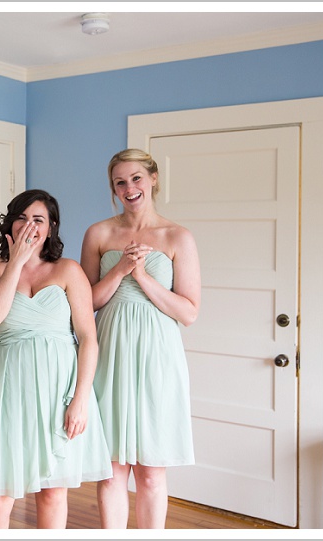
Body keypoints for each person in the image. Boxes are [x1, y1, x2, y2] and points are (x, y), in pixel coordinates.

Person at [0, 189, 112, 529]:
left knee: (52, 492)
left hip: (58, 391)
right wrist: (16, 262)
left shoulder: (68, 270)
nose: (29, 225)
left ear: (51, 227)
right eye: (22, 217)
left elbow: (89, 339)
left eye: (38, 219)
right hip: (8, 392)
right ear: (10, 224)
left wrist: (80, 400)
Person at [79, 148, 201, 529]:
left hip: (157, 357)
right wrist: (121, 268)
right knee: (111, 469)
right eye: (120, 182)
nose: (129, 188)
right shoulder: (99, 233)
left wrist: (144, 277)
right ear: (113, 189)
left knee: (150, 471)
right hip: (110, 351)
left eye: (136, 178)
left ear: (152, 180)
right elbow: (86, 305)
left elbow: (188, 312)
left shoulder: (177, 236)